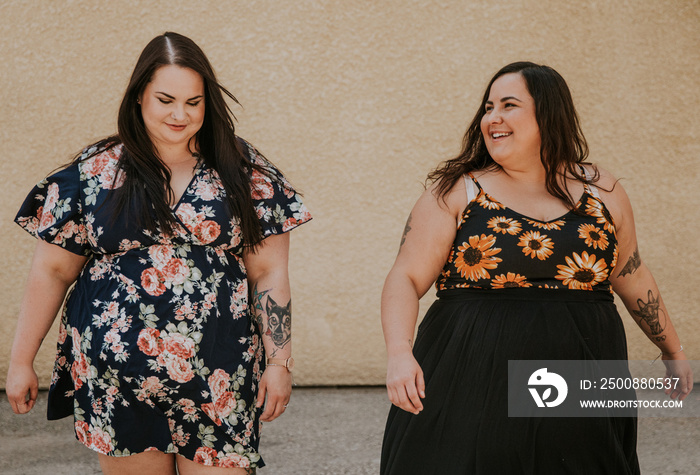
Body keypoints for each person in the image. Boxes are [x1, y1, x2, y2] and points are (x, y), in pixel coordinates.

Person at [6, 32, 311, 474]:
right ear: (138, 97)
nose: (179, 114)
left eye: (194, 102)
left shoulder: (244, 172)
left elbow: (269, 273)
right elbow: (51, 272)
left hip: (218, 375)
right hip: (118, 376)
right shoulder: (94, 172)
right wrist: (20, 361)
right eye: (166, 99)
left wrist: (280, 361)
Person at [380, 61, 692, 474]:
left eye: (509, 105)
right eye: (489, 107)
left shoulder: (602, 189)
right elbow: (405, 277)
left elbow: (630, 272)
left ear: (548, 114)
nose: (493, 117)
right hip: (470, 371)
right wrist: (400, 353)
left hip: (580, 370)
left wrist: (672, 349)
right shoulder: (459, 190)